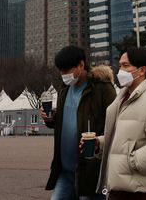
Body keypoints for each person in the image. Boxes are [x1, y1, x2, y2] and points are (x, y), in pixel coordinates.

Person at [92, 47, 146, 199]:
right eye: (119, 66)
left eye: (126, 66)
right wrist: (99, 143)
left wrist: (131, 162)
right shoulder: (120, 100)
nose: (120, 71)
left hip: (143, 193)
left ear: (141, 70)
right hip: (118, 190)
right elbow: (123, 140)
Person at [42, 45, 116, 200]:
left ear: (81, 65)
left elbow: (115, 124)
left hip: (90, 171)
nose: (63, 74)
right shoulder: (64, 90)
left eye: (67, 70)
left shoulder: (102, 88)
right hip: (64, 170)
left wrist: (99, 143)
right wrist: (50, 119)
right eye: (61, 70)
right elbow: (63, 120)